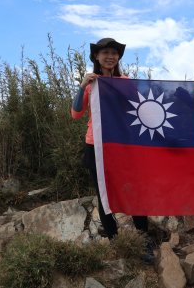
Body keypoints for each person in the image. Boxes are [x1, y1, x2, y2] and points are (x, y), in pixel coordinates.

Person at [71, 37, 155, 263]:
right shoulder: (92, 83)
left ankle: (143, 240)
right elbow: (76, 113)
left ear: (118, 58)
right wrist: (82, 87)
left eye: (114, 53)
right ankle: (116, 242)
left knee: (134, 190)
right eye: (105, 52)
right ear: (96, 57)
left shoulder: (125, 81)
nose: (110, 56)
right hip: (96, 146)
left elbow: (139, 109)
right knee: (103, 195)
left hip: (122, 146)